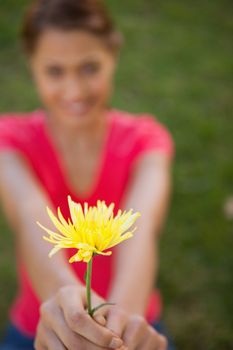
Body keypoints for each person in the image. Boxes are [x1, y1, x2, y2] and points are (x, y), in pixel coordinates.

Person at [0, 0, 175, 349]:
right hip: (43, 326)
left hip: (135, 324)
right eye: (55, 71)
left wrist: (121, 324)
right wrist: (66, 310)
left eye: (90, 67)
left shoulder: (146, 141)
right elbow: (32, 216)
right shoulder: (9, 140)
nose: (75, 90)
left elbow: (138, 229)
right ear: (32, 66)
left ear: (113, 57)